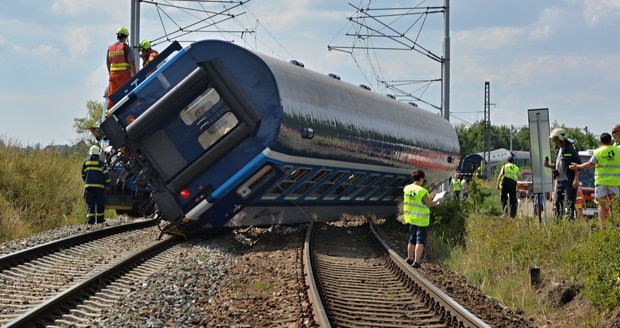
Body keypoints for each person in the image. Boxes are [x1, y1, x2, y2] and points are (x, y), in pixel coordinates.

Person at [569, 133, 620, 229]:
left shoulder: (598, 152)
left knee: (601, 205)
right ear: (611, 141)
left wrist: (577, 166)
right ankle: (616, 226)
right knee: (615, 206)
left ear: (600, 142)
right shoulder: (618, 151)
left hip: (601, 183)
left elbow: (588, 165)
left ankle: (602, 228)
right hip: (615, 183)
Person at [402, 169, 444, 269]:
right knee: (419, 241)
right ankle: (416, 261)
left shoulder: (407, 188)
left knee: (412, 240)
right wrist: (438, 200)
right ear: (421, 179)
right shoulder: (422, 191)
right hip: (421, 220)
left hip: (411, 218)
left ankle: (409, 257)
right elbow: (429, 204)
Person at [544, 128, 581, 220]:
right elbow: (559, 165)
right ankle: (557, 222)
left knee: (569, 203)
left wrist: (576, 179)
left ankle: (570, 222)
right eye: (553, 139)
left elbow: (578, 165)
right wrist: (549, 165)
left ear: (561, 138)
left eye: (555, 139)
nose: (554, 141)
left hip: (569, 180)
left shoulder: (571, 149)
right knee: (557, 203)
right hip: (560, 180)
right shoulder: (559, 149)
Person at [106, 27, 136, 112]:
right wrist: (135, 75)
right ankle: (126, 111)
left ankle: (108, 113)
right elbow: (131, 62)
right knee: (125, 94)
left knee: (111, 95)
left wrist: (110, 73)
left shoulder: (110, 48)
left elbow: (108, 63)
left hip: (113, 75)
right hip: (124, 76)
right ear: (126, 37)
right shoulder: (126, 48)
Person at [82, 145, 111, 224]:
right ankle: (100, 220)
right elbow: (106, 175)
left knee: (90, 205)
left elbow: (83, 175)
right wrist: (108, 184)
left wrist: (87, 182)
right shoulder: (101, 164)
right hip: (99, 189)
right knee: (100, 204)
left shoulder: (86, 162)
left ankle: (90, 221)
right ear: (98, 154)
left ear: (90, 153)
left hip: (89, 188)